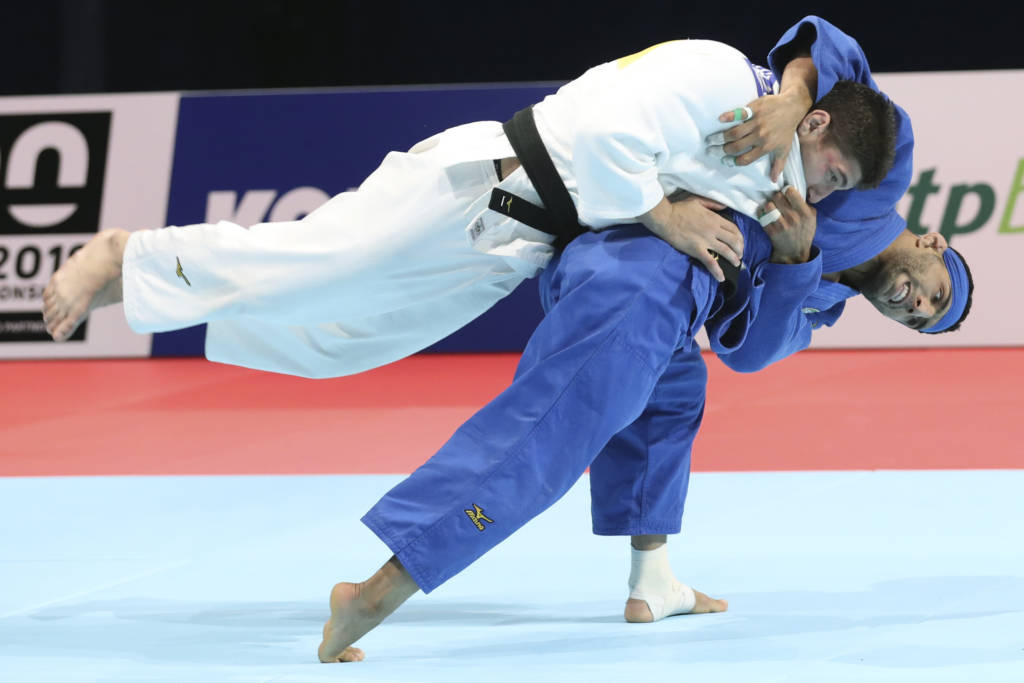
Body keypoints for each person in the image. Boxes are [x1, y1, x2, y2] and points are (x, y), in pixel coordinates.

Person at [41, 18, 958, 378]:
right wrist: (658, 213)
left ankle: (153, 292)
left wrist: (785, 249)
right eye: (834, 178)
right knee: (316, 264)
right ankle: (128, 257)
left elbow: (750, 340)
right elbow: (590, 126)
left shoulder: (781, 195)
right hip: (493, 182)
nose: (826, 196)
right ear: (818, 129)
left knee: (342, 341)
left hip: (516, 245)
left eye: (928, 319)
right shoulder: (718, 72)